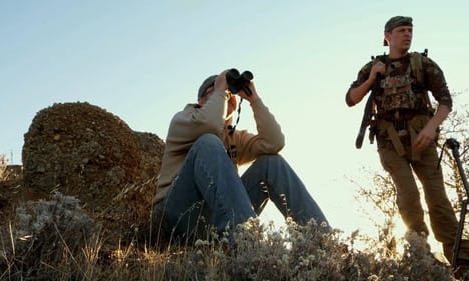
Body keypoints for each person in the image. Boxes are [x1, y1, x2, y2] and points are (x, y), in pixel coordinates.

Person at [345, 16, 469, 266]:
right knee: (408, 195)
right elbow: (351, 98)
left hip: (422, 138)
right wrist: (371, 79)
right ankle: (419, 256)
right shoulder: (373, 67)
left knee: (438, 197)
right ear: (387, 36)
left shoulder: (422, 63)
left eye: (410, 30)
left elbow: (445, 100)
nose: (407, 34)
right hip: (389, 142)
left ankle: (460, 257)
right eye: (401, 30)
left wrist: (432, 127)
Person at [152, 69, 329, 243]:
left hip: (218, 215)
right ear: (200, 100)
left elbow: (275, 142)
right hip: (179, 214)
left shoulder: (233, 137)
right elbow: (210, 124)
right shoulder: (183, 120)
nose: (224, 98)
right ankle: (249, 243)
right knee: (208, 142)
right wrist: (221, 88)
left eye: (229, 95)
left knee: (271, 162)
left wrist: (254, 100)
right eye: (214, 94)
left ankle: (323, 244)